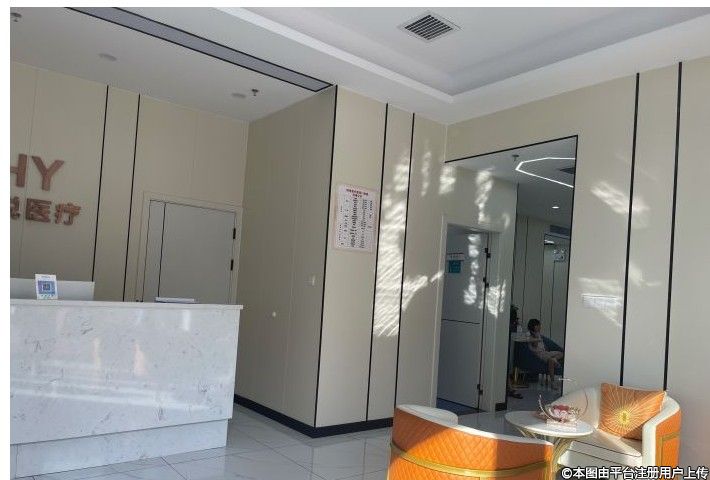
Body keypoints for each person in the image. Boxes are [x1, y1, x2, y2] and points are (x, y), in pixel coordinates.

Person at [527, 318, 563, 387]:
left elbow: (543, 345)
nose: (540, 327)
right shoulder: (529, 334)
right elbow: (535, 346)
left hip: (545, 352)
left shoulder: (538, 334)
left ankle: (554, 359)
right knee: (551, 361)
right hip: (539, 354)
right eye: (538, 325)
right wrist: (536, 337)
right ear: (534, 326)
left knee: (561, 353)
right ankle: (553, 382)